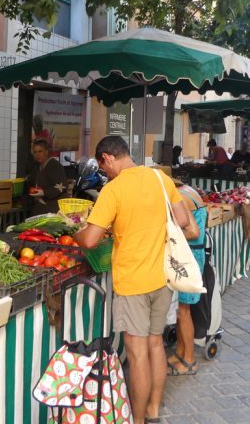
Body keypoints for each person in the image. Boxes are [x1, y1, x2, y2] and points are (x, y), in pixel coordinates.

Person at [73, 136, 196, 424]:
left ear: (107, 158)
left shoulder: (113, 190)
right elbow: (182, 220)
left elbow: (90, 240)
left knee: (137, 354)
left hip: (132, 284)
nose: (105, 173)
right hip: (162, 279)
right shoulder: (159, 178)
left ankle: (138, 419)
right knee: (155, 345)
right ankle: (154, 407)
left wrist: (76, 232)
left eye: (104, 167)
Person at [167, 181, 204, 378]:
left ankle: (189, 360)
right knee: (183, 310)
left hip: (189, 259)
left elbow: (193, 232)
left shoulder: (178, 197)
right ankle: (181, 353)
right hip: (192, 257)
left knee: (183, 312)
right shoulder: (188, 191)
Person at [26, 138, 70, 215]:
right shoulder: (37, 167)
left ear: (46, 152)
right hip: (41, 208)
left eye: (40, 151)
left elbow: (62, 186)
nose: (37, 155)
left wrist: (44, 192)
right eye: (35, 152)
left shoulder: (54, 165)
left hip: (54, 209)